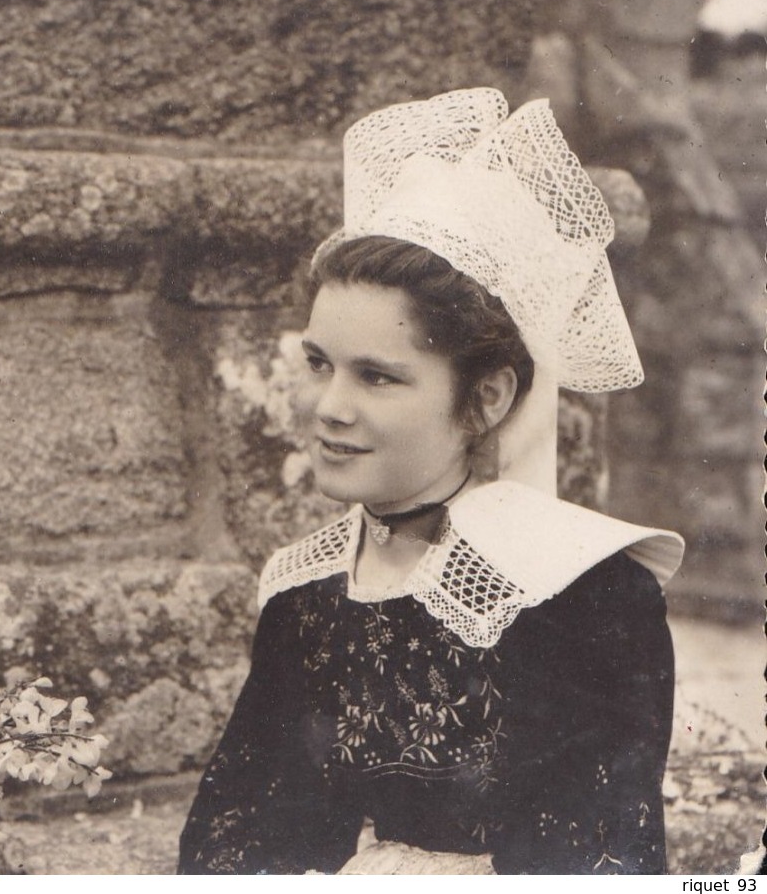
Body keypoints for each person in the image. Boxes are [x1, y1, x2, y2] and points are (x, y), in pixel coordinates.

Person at [177, 88, 685, 875]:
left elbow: (600, 862)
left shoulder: (586, 597)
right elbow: (235, 835)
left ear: (483, 398)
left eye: (377, 377)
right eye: (317, 363)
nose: (328, 408)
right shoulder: (305, 594)